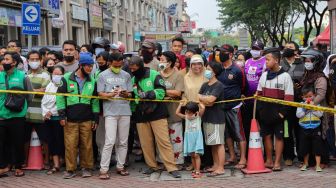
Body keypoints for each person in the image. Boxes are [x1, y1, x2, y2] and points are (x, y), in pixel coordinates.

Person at [129, 56, 181, 178]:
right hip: (140, 114)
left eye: (134, 68)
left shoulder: (154, 74)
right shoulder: (133, 79)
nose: (132, 70)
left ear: (140, 66)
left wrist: (148, 94)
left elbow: (162, 92)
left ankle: (171, 167)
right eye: (130, 68)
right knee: (146, 143)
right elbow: (133, 97)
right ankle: (152, 166)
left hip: (157, 112)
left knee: (163, 141)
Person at [56, 52, 100, 179]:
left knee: (87, 145)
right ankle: (71, 169)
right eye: (88, 66)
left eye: (91, 66)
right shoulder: (66, 78)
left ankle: (87, 168)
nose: (90, 69)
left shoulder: (93, 81)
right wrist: (62, 115)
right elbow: (60, 98)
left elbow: (95, 101)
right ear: (80, 65)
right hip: (70, 119)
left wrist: (95, 118)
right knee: (70, 145)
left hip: (87, 119)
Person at [257, 47, 294, 171]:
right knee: (266, 136)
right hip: (265, 114)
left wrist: (282, 114)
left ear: (277, 60)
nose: (265, 62)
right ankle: (269, 160)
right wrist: (260, 112)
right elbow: (259, 95)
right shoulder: (263, 76)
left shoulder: (286, 77)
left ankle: (277, 162)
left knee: (279, 137)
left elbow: (289, 98)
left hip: (279, 114)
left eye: (268, 59)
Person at [97, 53, 133, 179]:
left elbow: (130, 93)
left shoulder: (126, 75)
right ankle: (103, 169)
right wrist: (109, 95)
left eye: (120, 65)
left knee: (123, 141)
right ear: (110, 63)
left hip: (125, 110)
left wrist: (125, 94)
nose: (118, 67)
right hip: (110, 112)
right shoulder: (102, 75)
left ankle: (120, 166)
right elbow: (100, 93)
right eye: (115, 65)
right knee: (110, 141)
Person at [0, 51, 33, 177]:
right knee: (1, 143)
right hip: (1, 115)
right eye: (3, 59)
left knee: (17, 142)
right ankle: (3, 166)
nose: (4, 61)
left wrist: (23, 108)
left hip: (17, 116)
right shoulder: (0, 75)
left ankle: (18, 166)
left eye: (7, 59)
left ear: (14, 62)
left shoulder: (23, 76)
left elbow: (30, 95)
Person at [216, 44, 247, 169]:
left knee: (239, 133)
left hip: (235, 106)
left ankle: (243, 158)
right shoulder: (218, 69)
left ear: (230, 54)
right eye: (219, 52)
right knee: (227, 134)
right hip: (222, 106)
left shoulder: (237, 69)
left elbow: (243, 85)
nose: (220, 54)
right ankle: (232, 156)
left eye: (223, 52)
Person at [300, 49, 329, 168]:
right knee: (306, 137)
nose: (307, 63)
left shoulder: (321, 77)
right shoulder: (306, 74)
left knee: (319, 137)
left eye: (309, 60)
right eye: (305, 60)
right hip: (306, 112)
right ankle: (309, 161)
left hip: (318, 110)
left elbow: (321, 95)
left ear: (316, 62)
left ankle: (322, 161)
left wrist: (309, 104)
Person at [198, 61, 226, 177]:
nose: (206, 70)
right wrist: (206, 99)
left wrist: (206, 100)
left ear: (214, 72)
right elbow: (198, 97)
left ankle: (221, 167)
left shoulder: (219, 85)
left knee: (219, 143)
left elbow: (211, 100)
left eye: (208, 68)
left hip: (217, 118)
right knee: (212, 144)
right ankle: (215, 165)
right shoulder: (205, 85)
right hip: (206, 117)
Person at [280, 41, 305, 166]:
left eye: (290, 47)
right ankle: (288, 156)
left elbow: (307, 81)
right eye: (286, 48)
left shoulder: (303, 63)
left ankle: (302, 157)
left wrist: (300, 85)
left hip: (300, 102)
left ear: (296, 50)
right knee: (286, 130)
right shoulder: (280, 63)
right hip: (285, 103)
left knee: (300, 130)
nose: (287, 49)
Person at [25, 50, 51, 169]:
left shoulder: (45, 74)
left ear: (41, 60)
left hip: (41, 112)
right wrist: (35, 91)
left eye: (36, 59)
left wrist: (31, 91)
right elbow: (22, 92)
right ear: (28, 61)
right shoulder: (25, 74)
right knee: (25, 139)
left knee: (44, 138)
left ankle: (46, 162)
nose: (34, 62)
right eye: (31, 59)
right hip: (27, 112)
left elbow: (45, 91)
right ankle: (24, 162)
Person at [159, 51, 185, 166]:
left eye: (162, 60)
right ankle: (163, 161)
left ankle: (178, 162)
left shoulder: (178, 75)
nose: (160, 62)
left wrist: (162, 92)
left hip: (174, 113)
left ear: (169, 63)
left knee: (176, 139)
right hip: (160, 113)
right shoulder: (157, 74)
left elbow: (178, 92)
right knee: (163, 139)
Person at [242, 41, 266, 153]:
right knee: (247, 125)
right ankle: (248, 151)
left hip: (260, 99)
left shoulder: (265, 61)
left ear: (262, 50)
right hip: (248, 99)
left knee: (263, 126)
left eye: (257, 49)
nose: (255, 51)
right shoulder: (247, 61)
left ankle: (266, 153)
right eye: (253, 48)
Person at [41, 65, 65, 175]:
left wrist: (52, 111)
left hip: (59, 118)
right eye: (54, 74)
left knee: (60, 141)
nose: (56, 76)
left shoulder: (64, 86)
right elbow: (44, 102)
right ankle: (56, 165)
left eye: (59, 74)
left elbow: (62, 102)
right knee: (51, 141)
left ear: (63, 75)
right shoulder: (49, 85)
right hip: (48, 118)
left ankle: (63, 162)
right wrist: (46, 113)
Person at [296, 85, 324, 172]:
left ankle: (318, 165)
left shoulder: (317, 104)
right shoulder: (300, 105)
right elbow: (298, 115)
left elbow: (320, 115)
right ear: (302, 97)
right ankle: (305, 163)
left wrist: (313, 108)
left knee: (317, 147)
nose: (308, 98)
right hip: (304, 128)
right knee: (305, 147)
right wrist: (305, 109)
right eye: (306, 97)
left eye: (310, 96)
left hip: (315, 128)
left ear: (314, 95)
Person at [176, 101, 205, 178]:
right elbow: (177, 113)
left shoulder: (198, 116)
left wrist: (199, 102)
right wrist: (180, 105)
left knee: (196, 155)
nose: (188, 113)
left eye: (189, 112)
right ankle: (195, 169)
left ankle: (198, 171)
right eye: (186, 111)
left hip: (197, 137)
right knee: (192, 155)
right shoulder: (186, 117)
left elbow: (203, 108)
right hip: (189, 137)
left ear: (195, 112)